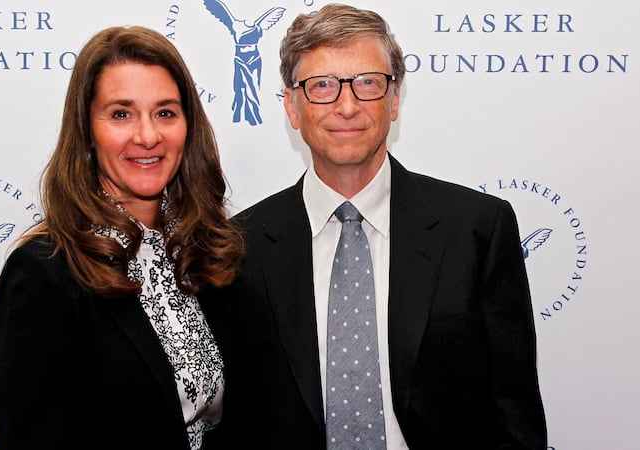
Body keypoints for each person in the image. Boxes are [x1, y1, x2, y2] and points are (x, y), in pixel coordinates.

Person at [218, 4, 547, 449]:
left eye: (367, 83)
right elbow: (237, 421)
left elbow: (514, 413)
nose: (347, 106)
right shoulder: (240, 246)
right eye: (322, 86)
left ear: (394, 100)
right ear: (292, 107)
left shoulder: (477, 230)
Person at [0, 26, 242, 450]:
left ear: (187, 126)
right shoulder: (43, 274)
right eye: (121, 114)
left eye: (165, 112)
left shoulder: (205, 250)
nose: (147, 136)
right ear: (88, 130)